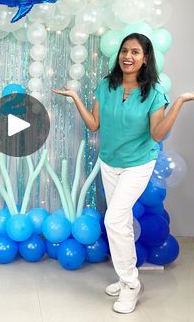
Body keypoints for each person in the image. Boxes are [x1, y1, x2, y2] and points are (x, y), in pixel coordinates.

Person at [52, 33, 194, 314]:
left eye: (136, 52)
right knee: (123, 222)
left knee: (114, 219)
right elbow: (94, 125)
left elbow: (156, 134)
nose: (128, 56)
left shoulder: (154, 92)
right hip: (109, 162)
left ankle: (131, 285)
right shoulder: (106, 86)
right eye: (124, 51)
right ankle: (124, 276)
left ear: (146, 58)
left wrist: (178, 102)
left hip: (138, 164)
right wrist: (75, 98)